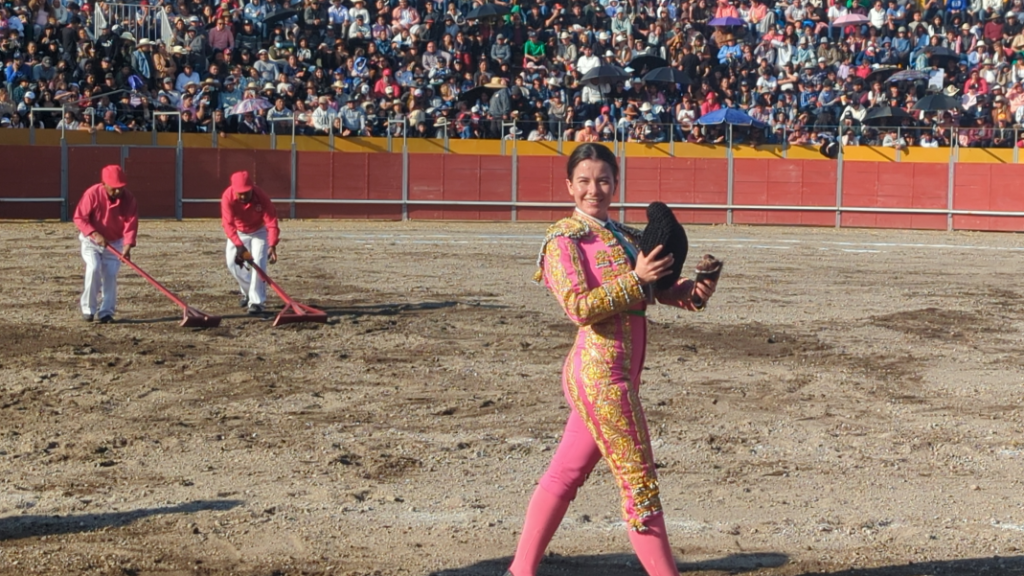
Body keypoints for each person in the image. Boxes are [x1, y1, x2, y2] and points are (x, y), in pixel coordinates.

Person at [506, 143, 721, 576]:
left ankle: (520, 571)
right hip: (601, 376)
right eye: (584, 181)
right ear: (569, 186)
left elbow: (656, 292)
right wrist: (636, 277)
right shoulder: (563, 240)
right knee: (640, 484)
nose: (594, 189)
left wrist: (694, 291)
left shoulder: (623, 235)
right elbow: (579, 307)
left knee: (565, 473)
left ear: (615, 184)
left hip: (616, 373)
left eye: (603, 180)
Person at [72, 165, 138, 324]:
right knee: (93, 268)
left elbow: (131, 223)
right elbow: (79, 218)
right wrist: (94, 233)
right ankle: (88, 309)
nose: (118, 192)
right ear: (104, 183)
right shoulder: (92, 194)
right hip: (91, 241)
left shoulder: (129, 199)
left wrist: (127, 246)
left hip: (114, 243)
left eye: (121, 188)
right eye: (114, 188)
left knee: (110, 275)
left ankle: (106, 312)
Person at [220, 170, 280, 315]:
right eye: (240, 193)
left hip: (259, 231)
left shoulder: (261, 197)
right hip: (238, 232)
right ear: (234, 189)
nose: (243, 196)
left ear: (252, 188)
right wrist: (239, 245)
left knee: (259, 264)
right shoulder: (227, 197)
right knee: (232, 264)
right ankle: (248, 293)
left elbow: (271, 222)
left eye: (246, 192)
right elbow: (228, 224)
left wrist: (272, 244)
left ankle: (257, 302)